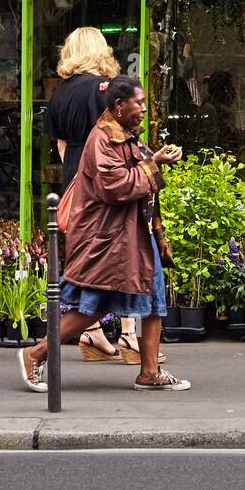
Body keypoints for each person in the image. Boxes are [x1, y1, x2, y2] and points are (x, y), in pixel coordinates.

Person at [19, 76, 188, 392]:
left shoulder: (126, 135)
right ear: (119, 106)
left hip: (132, 235)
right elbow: (117, 187)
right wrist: (155, 163)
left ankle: (149, 372)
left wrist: (154, 163)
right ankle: (35, 353)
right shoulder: (103, 139)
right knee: (94, 307)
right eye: (138, 103)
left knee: (154, 299)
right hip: (110, 239)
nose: (143, 108)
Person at [46, 28, 162, 364]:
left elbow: (61, 145)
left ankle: (93, 333)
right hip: (108, 177)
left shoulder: (59, 95)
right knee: (123, 252)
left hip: (76, 176)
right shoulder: (104, 90)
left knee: (90, 257)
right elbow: (120, 135)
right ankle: (127, 334)